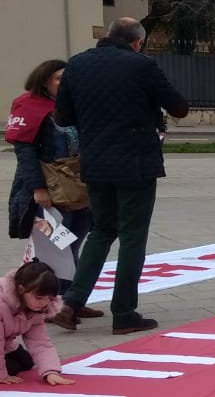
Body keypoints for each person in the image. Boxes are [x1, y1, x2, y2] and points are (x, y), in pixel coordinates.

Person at [49, 17, 189, 336]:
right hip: (135, 162)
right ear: (136, 42)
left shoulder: (77, 65)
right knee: (132, 235)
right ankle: (124, 312)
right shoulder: (141, 66)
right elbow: (178, 107)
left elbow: (62, 116)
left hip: (95, 163)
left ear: (108, 35)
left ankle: (71, 302)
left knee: (101, 231)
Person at [7, 60, 97, 301]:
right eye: (58, 78)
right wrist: (38, 188)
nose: (64, 82)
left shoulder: (74, 105)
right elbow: (24, 152)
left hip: (78, 188)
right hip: (49, 189)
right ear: (44, 81)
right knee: (52, 248)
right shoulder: (28, 106)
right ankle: (44, 301)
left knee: (72, 244)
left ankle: (69, 302)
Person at [2, 261, 74, 386]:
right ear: (20, 290)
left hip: (5, 343)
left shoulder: (36, 309)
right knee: (11, 368)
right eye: (39, 298)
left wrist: (50, 372)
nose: (44, 303)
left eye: (49, 298)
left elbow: (40, 342)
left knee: (26, 362)